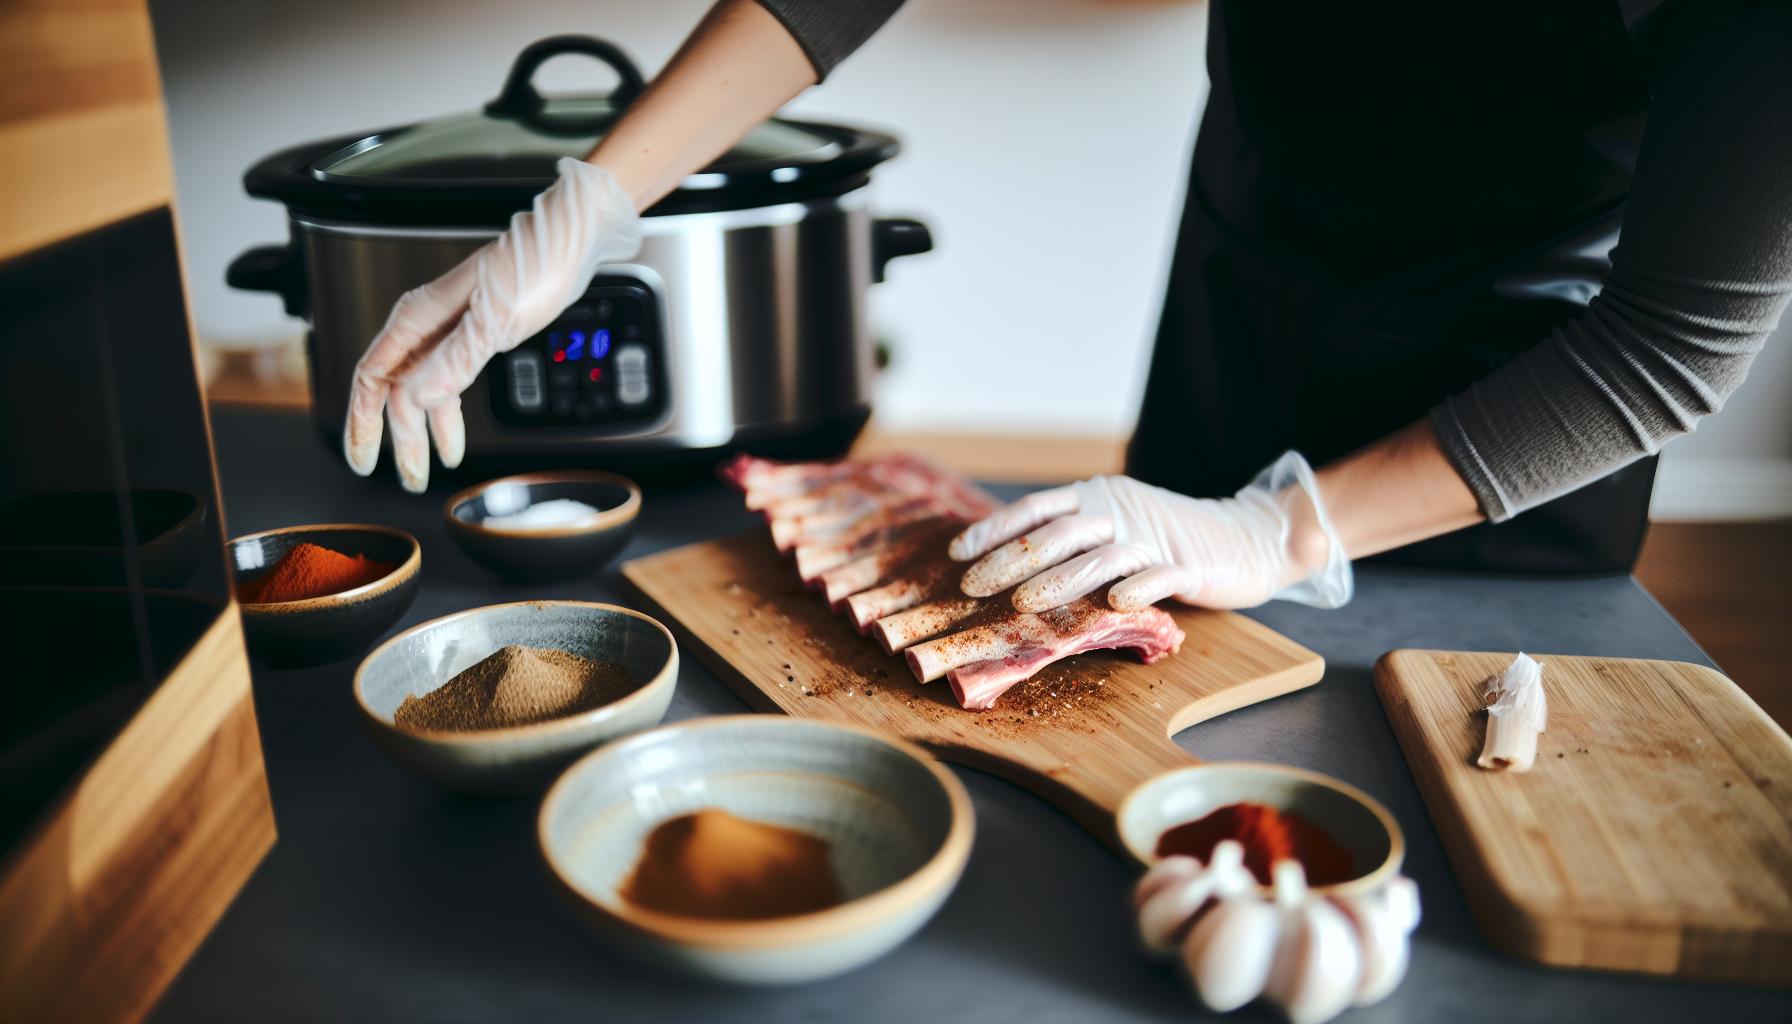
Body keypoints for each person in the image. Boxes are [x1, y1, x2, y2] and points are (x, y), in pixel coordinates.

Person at [343, 0, 1792, 615]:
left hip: (1527, 374)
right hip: (1251, 257)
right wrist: (592, 202)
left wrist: (1282, 532)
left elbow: (1677, 337)